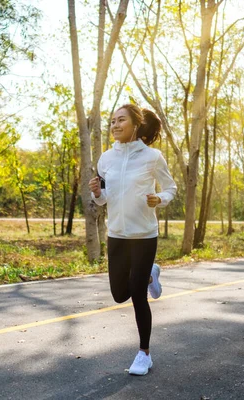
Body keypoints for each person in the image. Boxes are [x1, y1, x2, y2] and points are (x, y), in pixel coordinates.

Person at [88, 103, 177, 376]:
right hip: (116, 235)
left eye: (121, 120)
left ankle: (144, 354)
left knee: (138, 296)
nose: (114, 125)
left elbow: (171, 188)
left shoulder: (152, 157)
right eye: (112, 121)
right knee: (119, 294)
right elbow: (104, 200)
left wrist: (158, 199)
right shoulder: (106, 159)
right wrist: (96, 193)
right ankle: (150, 275)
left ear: (135, 125)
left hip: (143, 235)